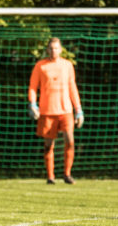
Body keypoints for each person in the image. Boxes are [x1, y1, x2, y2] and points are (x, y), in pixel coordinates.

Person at [28, 37, 84, 185]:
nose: (54, 51)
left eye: (56, 48)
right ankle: (50, 176)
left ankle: (67, 174)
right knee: (48, 145)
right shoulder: (40, 66)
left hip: (66, 110)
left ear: (60, 49)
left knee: (70, 140)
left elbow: (72, 87)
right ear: (47, 50)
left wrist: (78, 109)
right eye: (51, 48)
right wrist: (33, 104)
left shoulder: (67, 65)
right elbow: (33, 87)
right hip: (47, 111)